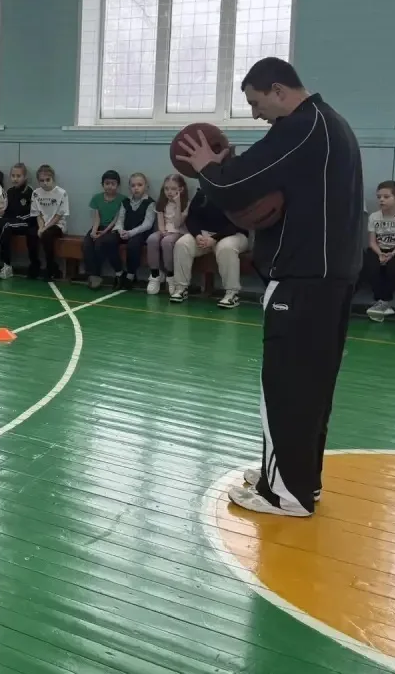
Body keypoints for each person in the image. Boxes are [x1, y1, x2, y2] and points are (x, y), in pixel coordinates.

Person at [177, 57, 364, 518]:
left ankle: (284, 495)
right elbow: (261, 174)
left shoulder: (301, 127)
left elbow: (237, 185)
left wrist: (207, 167)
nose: (256, 114)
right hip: (330, 278)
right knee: (312, 387)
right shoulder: (330, 123)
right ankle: (299, 480)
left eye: (256, 102)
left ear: (278, 90)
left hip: (302, 279)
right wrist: (228, 166)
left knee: (286, 388)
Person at [170, 188, 248, 307]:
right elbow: (191, 218)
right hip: (204, 235)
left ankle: (232, 293)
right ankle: (181, 288)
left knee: (226, 248)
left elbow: (237, 223)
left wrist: (215, 238)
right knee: (182, 244)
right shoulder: (203, 192)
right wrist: (197, 235)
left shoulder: (238, 193)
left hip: (234, 234)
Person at [363, 180, 395, 322]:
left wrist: (391, 254)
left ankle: (384, 301)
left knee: (393, 268)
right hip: (377, 249)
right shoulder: (374, 217)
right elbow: (372, 241)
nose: (381, 200)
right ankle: (381, 301)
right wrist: (380, 254)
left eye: (386, 197)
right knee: (371, 267)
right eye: (379, 197)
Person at [102, 172, 156, 290]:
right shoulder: (125, 202)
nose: (136, 188)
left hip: (140, 234)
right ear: (129, 187)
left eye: (139, 185)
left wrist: (131, 233)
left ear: (146, 186)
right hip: (125, 232)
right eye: (133, 185)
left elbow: (147, 224)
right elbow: (120, 219)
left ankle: (130, 275)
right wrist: (120, 230)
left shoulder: (150, 203)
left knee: (133, 244)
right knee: (108, 240)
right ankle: (119, 273)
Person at [80, 171, 124, 289]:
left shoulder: (123, 200)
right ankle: (93, 274)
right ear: (102, 184)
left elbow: (116, 219)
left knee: (100, 243)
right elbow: (97, 217)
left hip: (114, 229)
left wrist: (104, 232)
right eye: (107, 183)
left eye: (113, 184)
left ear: (118, 185)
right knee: (87, 244)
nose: (110, 186)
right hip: (99, 226)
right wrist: (94, 231)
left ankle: (98, 273)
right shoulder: (97, 198)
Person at [147, 174, 189, 296]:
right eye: (166, 189)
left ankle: (171, 276)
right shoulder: (162, 203)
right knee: (152, 239)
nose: (169, 192)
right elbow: (161, 222)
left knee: (166, 242)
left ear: (181, 189)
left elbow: (177, 224)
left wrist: (178, 203)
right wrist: (162, 231)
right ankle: (155, 275)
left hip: (179, 232)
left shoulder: (186, 204)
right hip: (165, 230)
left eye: (173, 189)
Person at [0, 163, 38, 280]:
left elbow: (32, 214)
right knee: (0, 224)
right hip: (12, 223)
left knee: (6, 225)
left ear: (25, 177)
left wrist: (17, 219)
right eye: (13, 176)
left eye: (18, 176)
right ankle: (5, 264)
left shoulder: (30, 192)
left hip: (26, 223)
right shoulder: (9, 192)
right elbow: (7, 211)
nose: (15, 179)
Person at [31, 164, 69, 281]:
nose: (45, 183)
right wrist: (41, 227)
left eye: (48, 180)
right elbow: (38, 213)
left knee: (47, 235)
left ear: (53, 179)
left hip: (57, 225)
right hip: (42, 224)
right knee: (31, 234)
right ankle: (34, 265)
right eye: (42, 181)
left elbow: (59, 215)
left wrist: (45, 228)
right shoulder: (36, 193)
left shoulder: (62, 193)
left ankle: (51, 266)